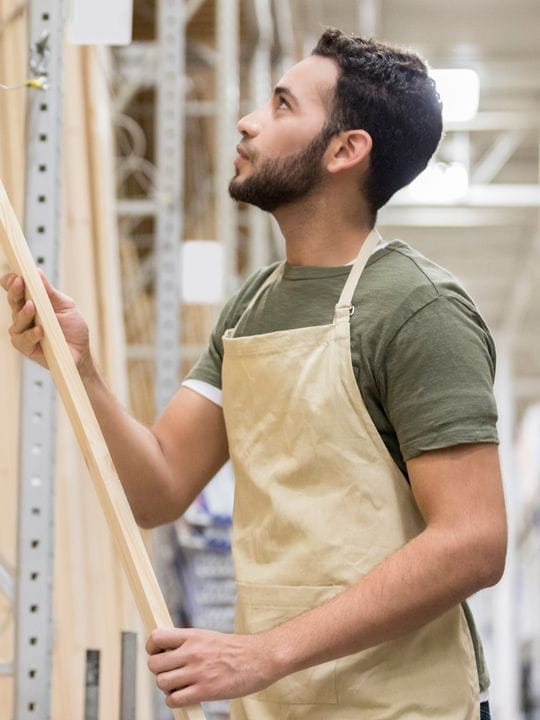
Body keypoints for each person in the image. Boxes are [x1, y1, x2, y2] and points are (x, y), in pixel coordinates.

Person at [1, 28, 506, 720]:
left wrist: (262, 652)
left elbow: (473, 542)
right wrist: (81, 370)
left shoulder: (417, 308)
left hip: (398, 708)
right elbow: (160, 487)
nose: (247, 120)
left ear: (345, 149)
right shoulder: (253, 306)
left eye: (280, 106)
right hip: (273, 705)